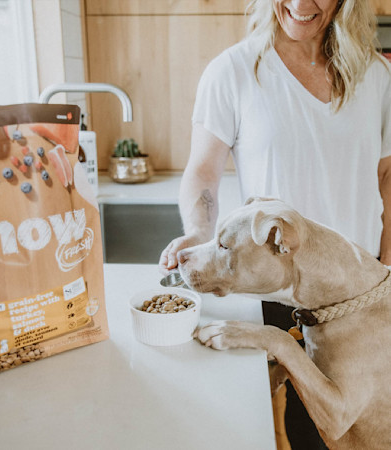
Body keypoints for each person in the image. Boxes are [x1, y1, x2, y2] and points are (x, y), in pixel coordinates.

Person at [159, 0, 391, 448]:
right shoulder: (233, 71)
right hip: (276, 293)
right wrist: (200, 232)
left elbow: (387, 175)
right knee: (304, 434)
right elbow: (204, 170)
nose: (303, 5)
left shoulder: (377, 77)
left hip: (363, 297)